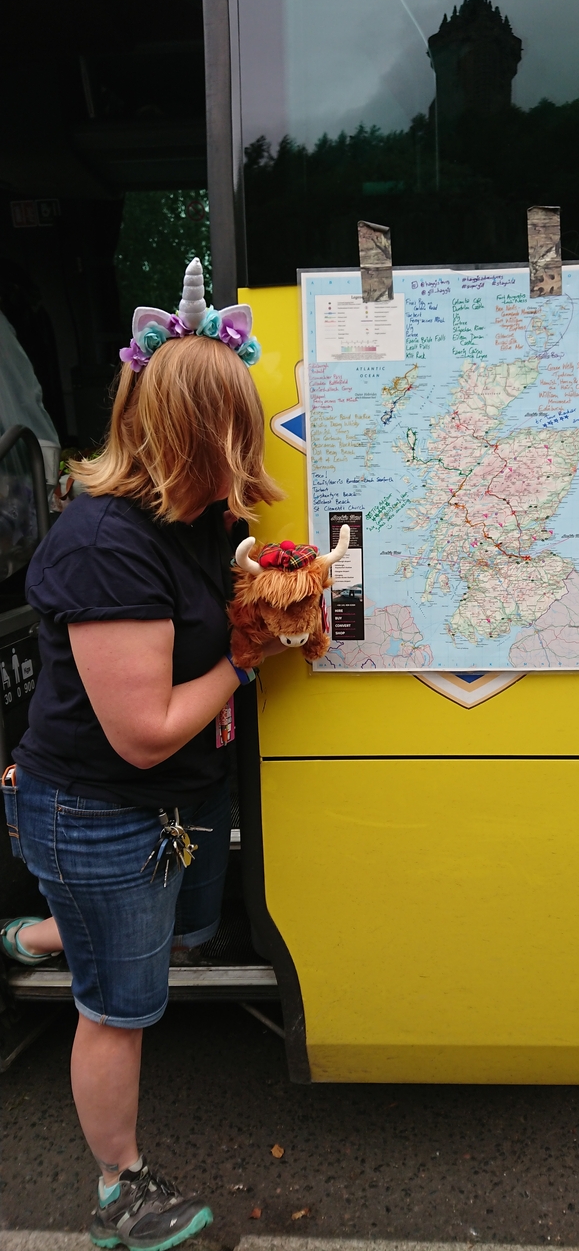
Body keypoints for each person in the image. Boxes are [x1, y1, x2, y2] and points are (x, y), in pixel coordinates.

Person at [0, 259, 283, 1251]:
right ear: (203, 436)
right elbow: (148, 728)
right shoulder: (104, 544)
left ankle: (37, 934)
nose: (255, 445)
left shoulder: (192, 517)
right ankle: (117, 1191)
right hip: (98, 809)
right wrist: (246, 659)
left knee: (168, 936)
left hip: (147, 802)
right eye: (241, 429)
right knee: (118, 1006)